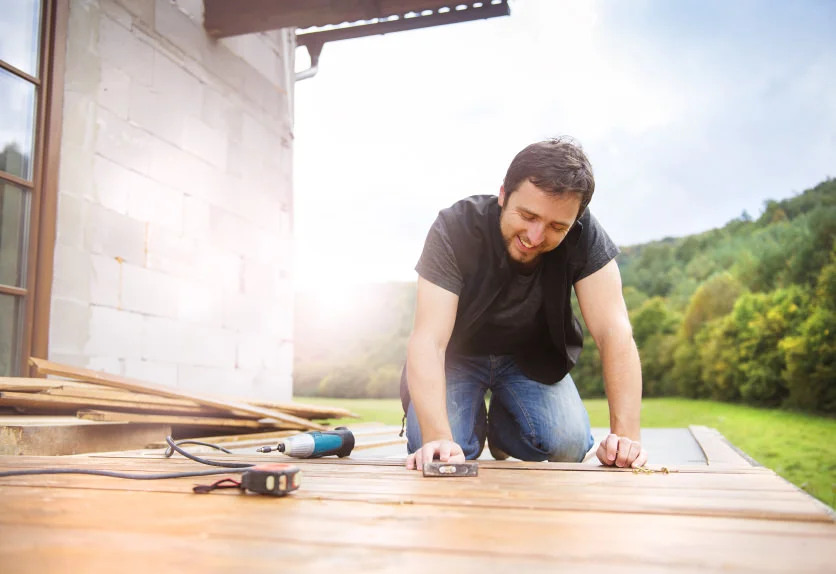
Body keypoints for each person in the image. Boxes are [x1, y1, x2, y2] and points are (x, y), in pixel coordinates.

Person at [401, 136, 648, 472]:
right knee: (439, 449)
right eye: (528, 215)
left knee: (570, 444)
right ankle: (467, 429)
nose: (535, 237)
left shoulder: (585, 235)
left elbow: (614, 331)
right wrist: (438, 436)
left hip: (532, 359)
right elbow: (429, 339)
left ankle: (503, 434)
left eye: (556, 227)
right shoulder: (454, 227)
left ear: (575, 221)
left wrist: (626, 439)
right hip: (454, 356)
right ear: (504, 194)